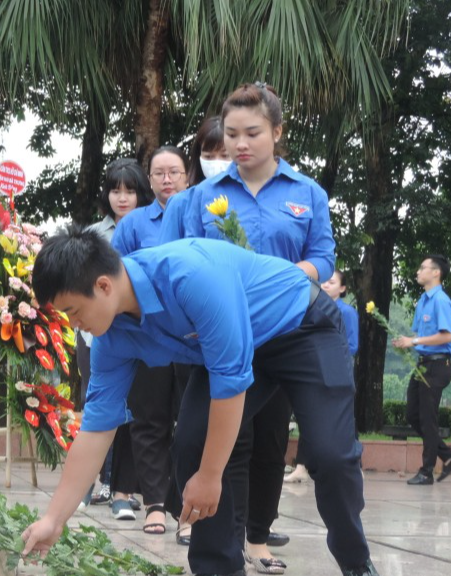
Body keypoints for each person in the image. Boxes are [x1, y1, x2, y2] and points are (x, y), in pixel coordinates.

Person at [22, 229, 378, 576]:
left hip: (301, 325)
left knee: (331, 455)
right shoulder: (111, 339)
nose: (74, 324)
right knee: (192, 445)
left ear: (103, 285)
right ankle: (219, 568)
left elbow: (230, 383)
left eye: (73, 311)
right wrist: (54, 520)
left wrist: (210, 477)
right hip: (236, 349)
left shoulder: (191, 277)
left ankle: (355, 561)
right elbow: (97, 428)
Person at [160, 82, 336, 572]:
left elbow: (322, 257)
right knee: (201, 441)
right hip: (223, 339)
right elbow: (183, 261)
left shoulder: (308, 194)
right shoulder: (199, 199)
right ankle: (218, 560)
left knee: (272, 443)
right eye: (232, 134)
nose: (240, 144)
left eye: (252, 133)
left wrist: (286, 278)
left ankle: (259, 535)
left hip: (288, 336)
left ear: (277, 133)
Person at [110, 147, 191, 535]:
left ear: (187, 176)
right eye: (158, 173)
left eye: (174, 172)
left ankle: (189, 511)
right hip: (149, 337)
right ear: (150, 179)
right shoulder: (134, 224)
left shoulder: (201, 215)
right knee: (150, 420)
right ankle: (156, 505)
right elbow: (114, 279)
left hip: (195, 338)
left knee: (192, 422)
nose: (166, 179)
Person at [77, 159, 154, 509]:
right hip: (95, 338)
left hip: (137, 335)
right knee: (97, 402)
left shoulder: (152, 232)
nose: (122, 198)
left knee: (134, 407)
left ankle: (122, 485)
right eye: (115, 190)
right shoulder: (92, 235)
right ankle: (98, 480)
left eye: (130, 190)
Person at [392, 255, 451, 486]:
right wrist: (407, 341)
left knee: (427, 419)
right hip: (423, 363)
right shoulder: (423, 300)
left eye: (423, 268)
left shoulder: (441, 300)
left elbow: (447, 336)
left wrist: (413, 342)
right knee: (413, 415)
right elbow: (421, 337)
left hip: (437, 365)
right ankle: (448, 455)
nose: (418, 271)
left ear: (436, 273)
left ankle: (426, 471)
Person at [285, 270, 358, 485]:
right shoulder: (310, 305)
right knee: (307, 415)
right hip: (311, 368)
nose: (326, 285)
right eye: (324, 281)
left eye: (332, 282)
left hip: (335, 369)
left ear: (343, 289)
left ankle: (352, 465)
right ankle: (301, 466)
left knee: (340, 419)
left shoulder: (347, 312)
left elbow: (352, 345)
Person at [188, 116, 230, 185]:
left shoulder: (250, 194)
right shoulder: (190, 195)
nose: (217, 163)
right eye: (209, 157)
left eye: (225, 156)